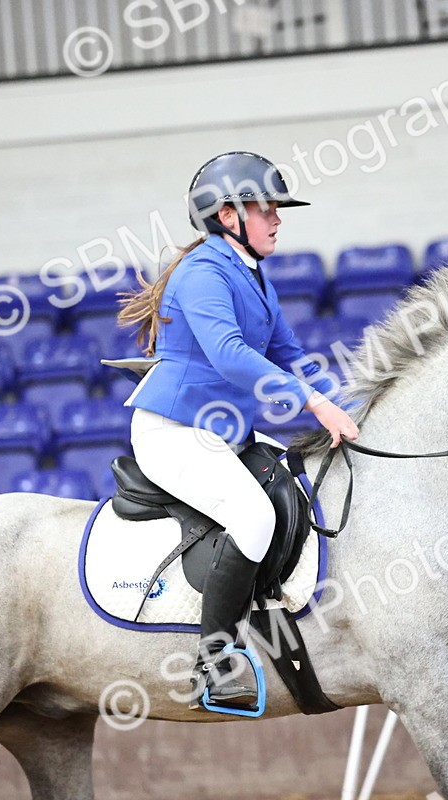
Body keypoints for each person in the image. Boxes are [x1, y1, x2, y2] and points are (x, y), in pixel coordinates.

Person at [116, 151, 359, 709]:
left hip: (225, 434)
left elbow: (291, 355)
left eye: (277, 208)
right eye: (266, 208)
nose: (278, 218)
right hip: (174, 433)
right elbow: (228, 355)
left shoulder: (253, 277)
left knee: (298, 482)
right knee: (252, 514)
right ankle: (214, 660)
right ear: (229, 216)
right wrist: (313, 403)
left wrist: (351, 407)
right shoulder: (203, 273)